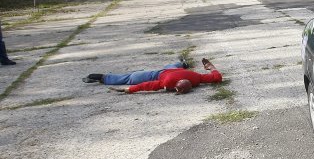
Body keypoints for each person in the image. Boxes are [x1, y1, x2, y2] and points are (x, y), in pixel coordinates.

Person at [92, 58, 222, 94]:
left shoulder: (197, 77)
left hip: (172, 69)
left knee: (172, 66)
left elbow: (217, 77)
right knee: (131, 78)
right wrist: (129, 89)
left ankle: (182, 63)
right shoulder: (167, 82)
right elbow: (148, 85)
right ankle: (103, 78)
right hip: (158, 74)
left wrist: (210, 67)